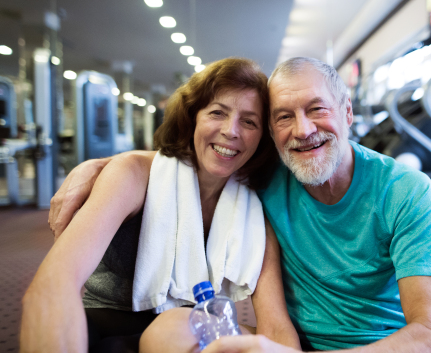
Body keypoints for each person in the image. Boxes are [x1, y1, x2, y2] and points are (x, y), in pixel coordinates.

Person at [48, 57, 431, 352]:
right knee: (170, 334)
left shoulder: (407, 191)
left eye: (317, 109)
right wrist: (101, 167)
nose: (304, 130)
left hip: (383, 348)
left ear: (347, 112)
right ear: (271, 135)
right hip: (287, 345)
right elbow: (193, 160)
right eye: (283, 117)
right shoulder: (268, 177)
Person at [20, 58, 301, 353]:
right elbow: (56, 282)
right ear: (193, 117)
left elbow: (276, 326)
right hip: (106, 328)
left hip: (184, 332)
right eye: (217, 112)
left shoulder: (255, 210)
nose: (232, 131)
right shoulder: (132, 174)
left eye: (249, 121)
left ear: (262, 138)